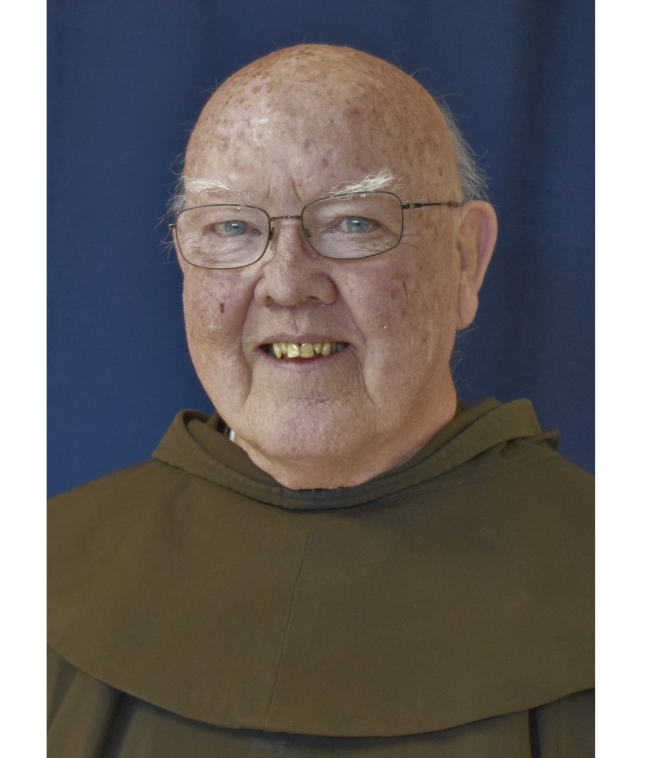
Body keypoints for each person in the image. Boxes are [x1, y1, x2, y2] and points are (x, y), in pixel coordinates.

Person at [48, 44, 593, 757]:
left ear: (466, 259)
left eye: (353, 223)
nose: (287, 284)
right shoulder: (47, 574)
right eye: (232, 228)